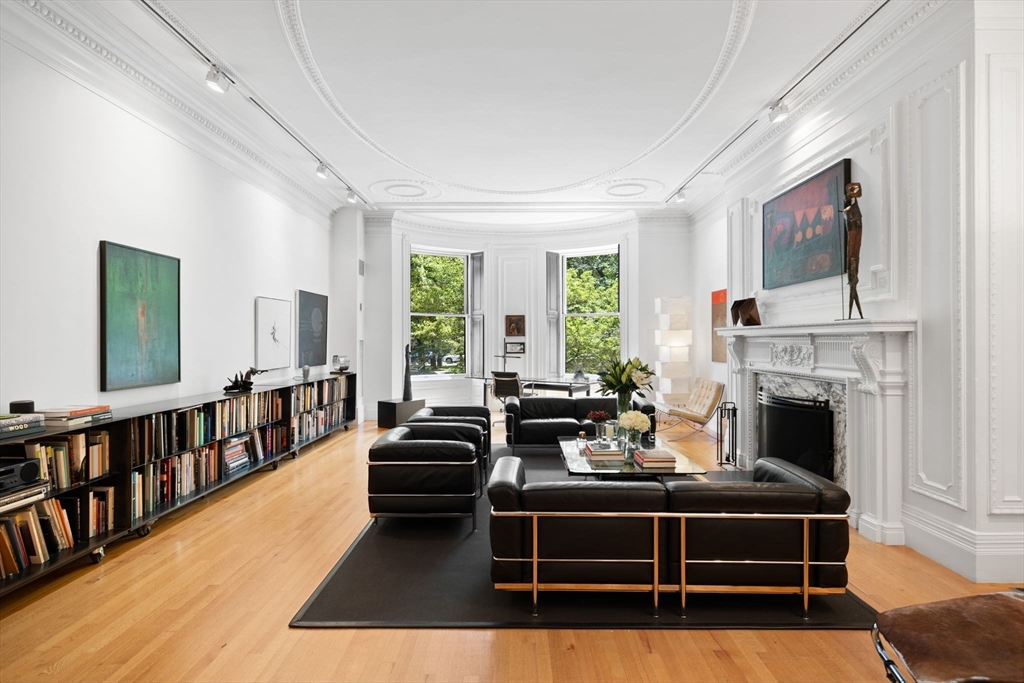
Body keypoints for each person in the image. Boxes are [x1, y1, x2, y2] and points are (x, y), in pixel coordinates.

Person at [843, 182, 864, 319]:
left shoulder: (854, 209)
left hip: (855, 237)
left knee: (853, 256)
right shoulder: (848, 209)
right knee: (852, 257)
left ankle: (852, 313)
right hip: (853, 238)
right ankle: (852, 312)